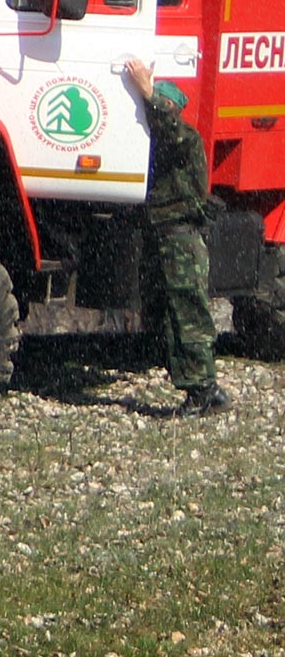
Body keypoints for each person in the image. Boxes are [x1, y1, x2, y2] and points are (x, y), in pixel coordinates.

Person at [125, 58, 231, 416]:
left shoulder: (184, 138)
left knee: (189, 314)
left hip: (181, 239)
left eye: (160, 106)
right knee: (171, 314)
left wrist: (147, 90)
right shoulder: (161, 146)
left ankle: (203, 391)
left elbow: (168, 122)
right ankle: (200, 389)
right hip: (167, 237)